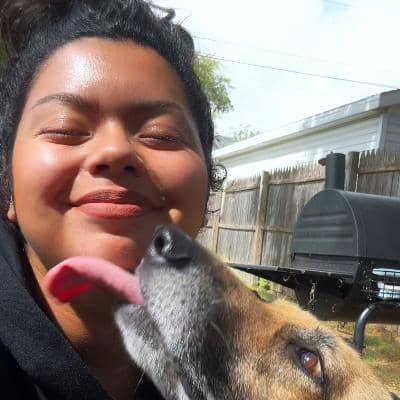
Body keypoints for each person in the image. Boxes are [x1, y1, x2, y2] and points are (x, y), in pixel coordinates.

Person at [0, 1, 224, 399]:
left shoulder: (244, 361)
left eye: (161, 135)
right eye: (64, 128)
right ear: (9, 183)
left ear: (206, 190)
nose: (116, 150)